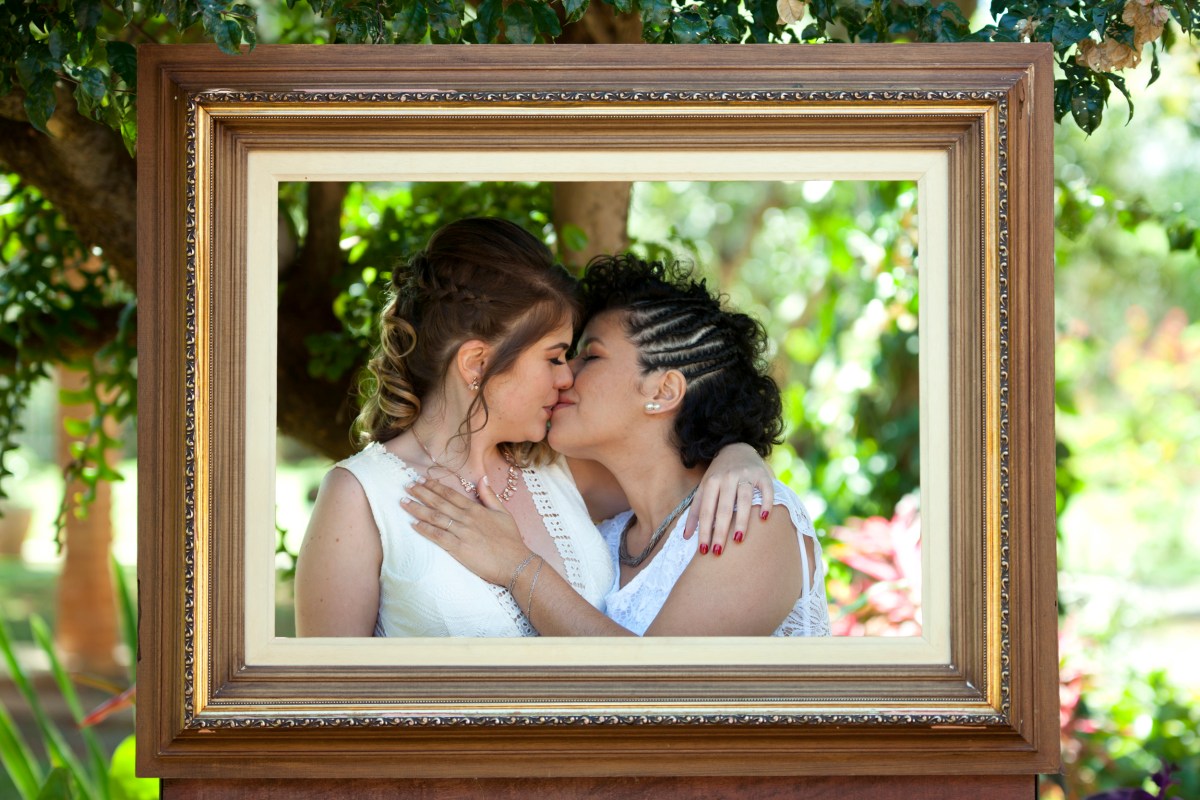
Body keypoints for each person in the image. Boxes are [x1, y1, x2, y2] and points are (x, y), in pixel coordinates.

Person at [294, 219, 774, 637]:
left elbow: (675, 465)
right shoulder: (359, 496)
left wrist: (737, 453)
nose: (566, 378)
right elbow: (327, 698)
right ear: (477, 363)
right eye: (554, 357)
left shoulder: (561, 467)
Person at [403, 254, 831, 637]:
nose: (563, 376)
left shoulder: (749, 519)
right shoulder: (604, 534)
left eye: (590, 356)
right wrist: (738, 451)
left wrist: (519, 567)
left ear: (663, 391)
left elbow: (655, 689)